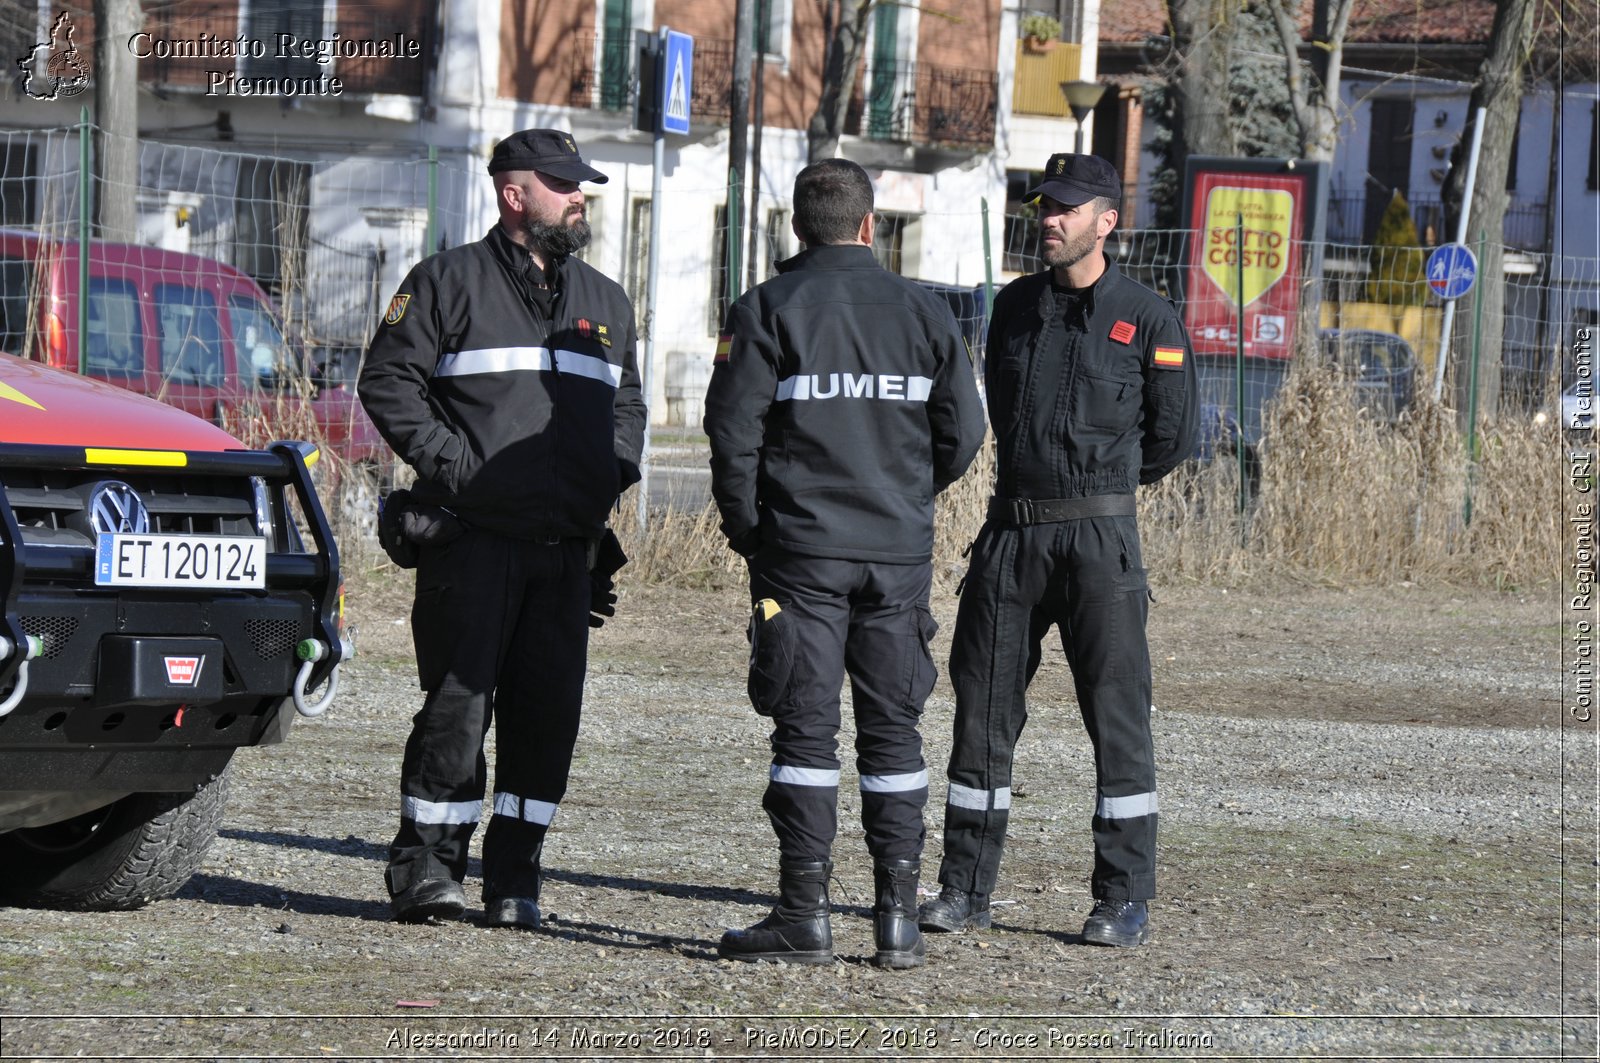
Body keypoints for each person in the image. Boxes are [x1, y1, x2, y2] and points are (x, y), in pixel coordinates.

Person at [358, 129, 645, 928]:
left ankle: (515, 880)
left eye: (580, 183)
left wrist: (608, 476)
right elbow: (387, 382)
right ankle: (427, 872)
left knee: (547, 719)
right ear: (514, 194)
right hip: (473, 541)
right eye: (562, 183)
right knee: (456, 710)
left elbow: (628, 407)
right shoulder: (445, 282)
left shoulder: (607, 301)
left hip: (566, 548)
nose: (578, 194)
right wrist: (460, 468)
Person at [704, 159, 986, 969]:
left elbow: (732, 435)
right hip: (896, 551)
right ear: (869, 226)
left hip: (801, 551)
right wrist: (904, 491)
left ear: (799, 227)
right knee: (895, 728)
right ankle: (896, 918)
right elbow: (962, 432)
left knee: (806, 730)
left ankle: (804, 913)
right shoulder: (923, 310)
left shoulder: (766, 308)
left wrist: (752, 530)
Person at [918, 153, 1198, 948]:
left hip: (1101, 536)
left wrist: (1097, 484)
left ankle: (1122, 897)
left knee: (1116, 716)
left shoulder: (1148, 317)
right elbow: (1000, 413)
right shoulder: (1012, 308)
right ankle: (963, 887)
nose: (1049, 218)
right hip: (1011, 531)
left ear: (1106, 221)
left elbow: (1173, 439)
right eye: (1045, 206)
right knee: (983, 707)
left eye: (1067, 208)